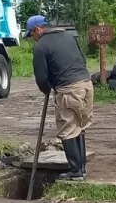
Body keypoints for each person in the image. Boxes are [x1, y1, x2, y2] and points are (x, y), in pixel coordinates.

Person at [26, 15, 93, 181]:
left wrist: (45, 89)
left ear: (38, 30)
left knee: (68, 129)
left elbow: (41, 77)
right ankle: (81, 168)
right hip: (86, 85)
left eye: (32, 34)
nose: (33, 38)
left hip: (68, 89)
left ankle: (75, 171)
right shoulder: (69, 36)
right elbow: (83, 60)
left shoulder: (41, 46)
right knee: (79, 126)